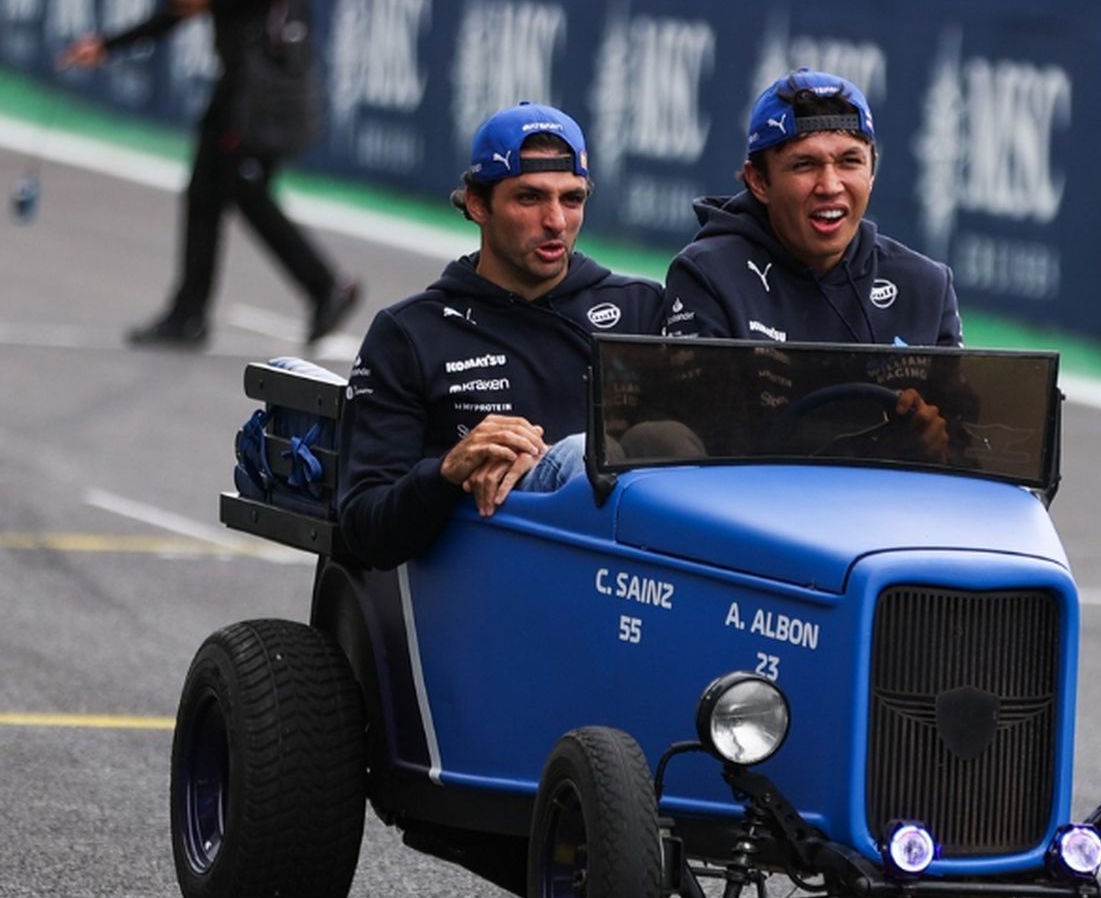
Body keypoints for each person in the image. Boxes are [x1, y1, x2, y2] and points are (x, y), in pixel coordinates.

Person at [335, 102, 662, 569]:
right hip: (492, 584)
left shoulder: (640, 310)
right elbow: (364, 529)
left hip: (631, 579)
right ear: (477, 203)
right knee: (575, 458)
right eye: (530, 198)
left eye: (572, 200)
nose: (556, 221)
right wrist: (449, 472)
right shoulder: (411, 333)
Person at [58, 0, 358, 348]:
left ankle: (320, 287)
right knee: (208, 193)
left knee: (241, 188)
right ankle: (195, 312)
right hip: (237, 84)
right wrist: (108, 45)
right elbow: (182, 3)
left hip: (268, 89)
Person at [661, 68, 962, 348]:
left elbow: (956, 391)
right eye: (804, 164)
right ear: (759, 182)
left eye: (850, 162)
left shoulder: (927, 289)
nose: (830, 186)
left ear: (872, 171)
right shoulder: (708, 274)